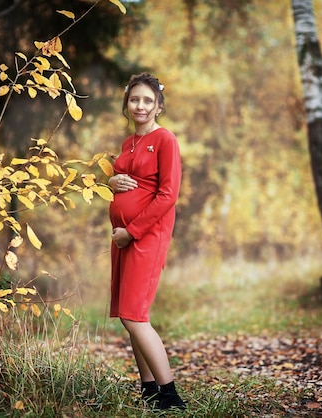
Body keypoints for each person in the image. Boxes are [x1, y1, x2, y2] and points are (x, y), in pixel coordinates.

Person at [107, 73, 185, 410]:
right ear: (127, 104)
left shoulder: (165, 139)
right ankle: (149, 389)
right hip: (124, 238)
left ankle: (170, 396)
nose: (140, 106)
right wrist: (110, 181)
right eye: (135, 99)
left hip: (146, 235)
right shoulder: (128, 143)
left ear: (158, 106)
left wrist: (132, 232)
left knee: (134, 315)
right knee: (129, 313)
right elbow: (129, 182)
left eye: (147, 101)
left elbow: (168, 195)